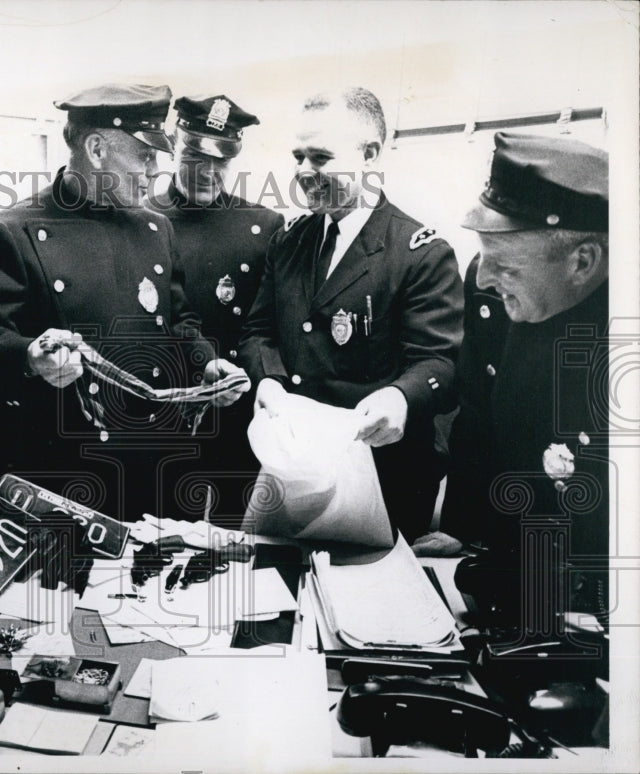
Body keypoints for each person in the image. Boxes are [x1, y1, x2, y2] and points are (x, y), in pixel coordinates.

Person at [0, 83, 247, 521]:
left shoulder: (155, 228)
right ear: (96, 149)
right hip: (64, 472)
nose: (154, 172)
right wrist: (31, 356)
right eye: (145, 156)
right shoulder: (9, 231)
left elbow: (179, 319)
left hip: (156, 464)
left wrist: (206, 362)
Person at [238, 87, 463, 541]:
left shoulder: (420, 253)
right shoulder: (290, 242)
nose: (303, 171)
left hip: (381, 475)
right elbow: (259, 330)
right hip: (292, 468)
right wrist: (268, 381)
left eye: (320, 157)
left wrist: (399, 397)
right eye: (298, 156)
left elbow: (439, 361)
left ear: (370, 154)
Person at [412, 133, 609, 621]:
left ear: (582, 261)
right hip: (512, 562)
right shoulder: (493, 290)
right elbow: (479, 406)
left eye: (504, 265)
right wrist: (462, 521)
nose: (481, 279)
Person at [146, 94, 284, 521]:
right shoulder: (142, 216)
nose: (207, 172)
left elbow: (269, 326)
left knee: (236, 538)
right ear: (173, 143)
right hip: (165, 411)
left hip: (238, 414)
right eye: (193, 156)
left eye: (220, 160)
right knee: (161, 535)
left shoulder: (262, 226)